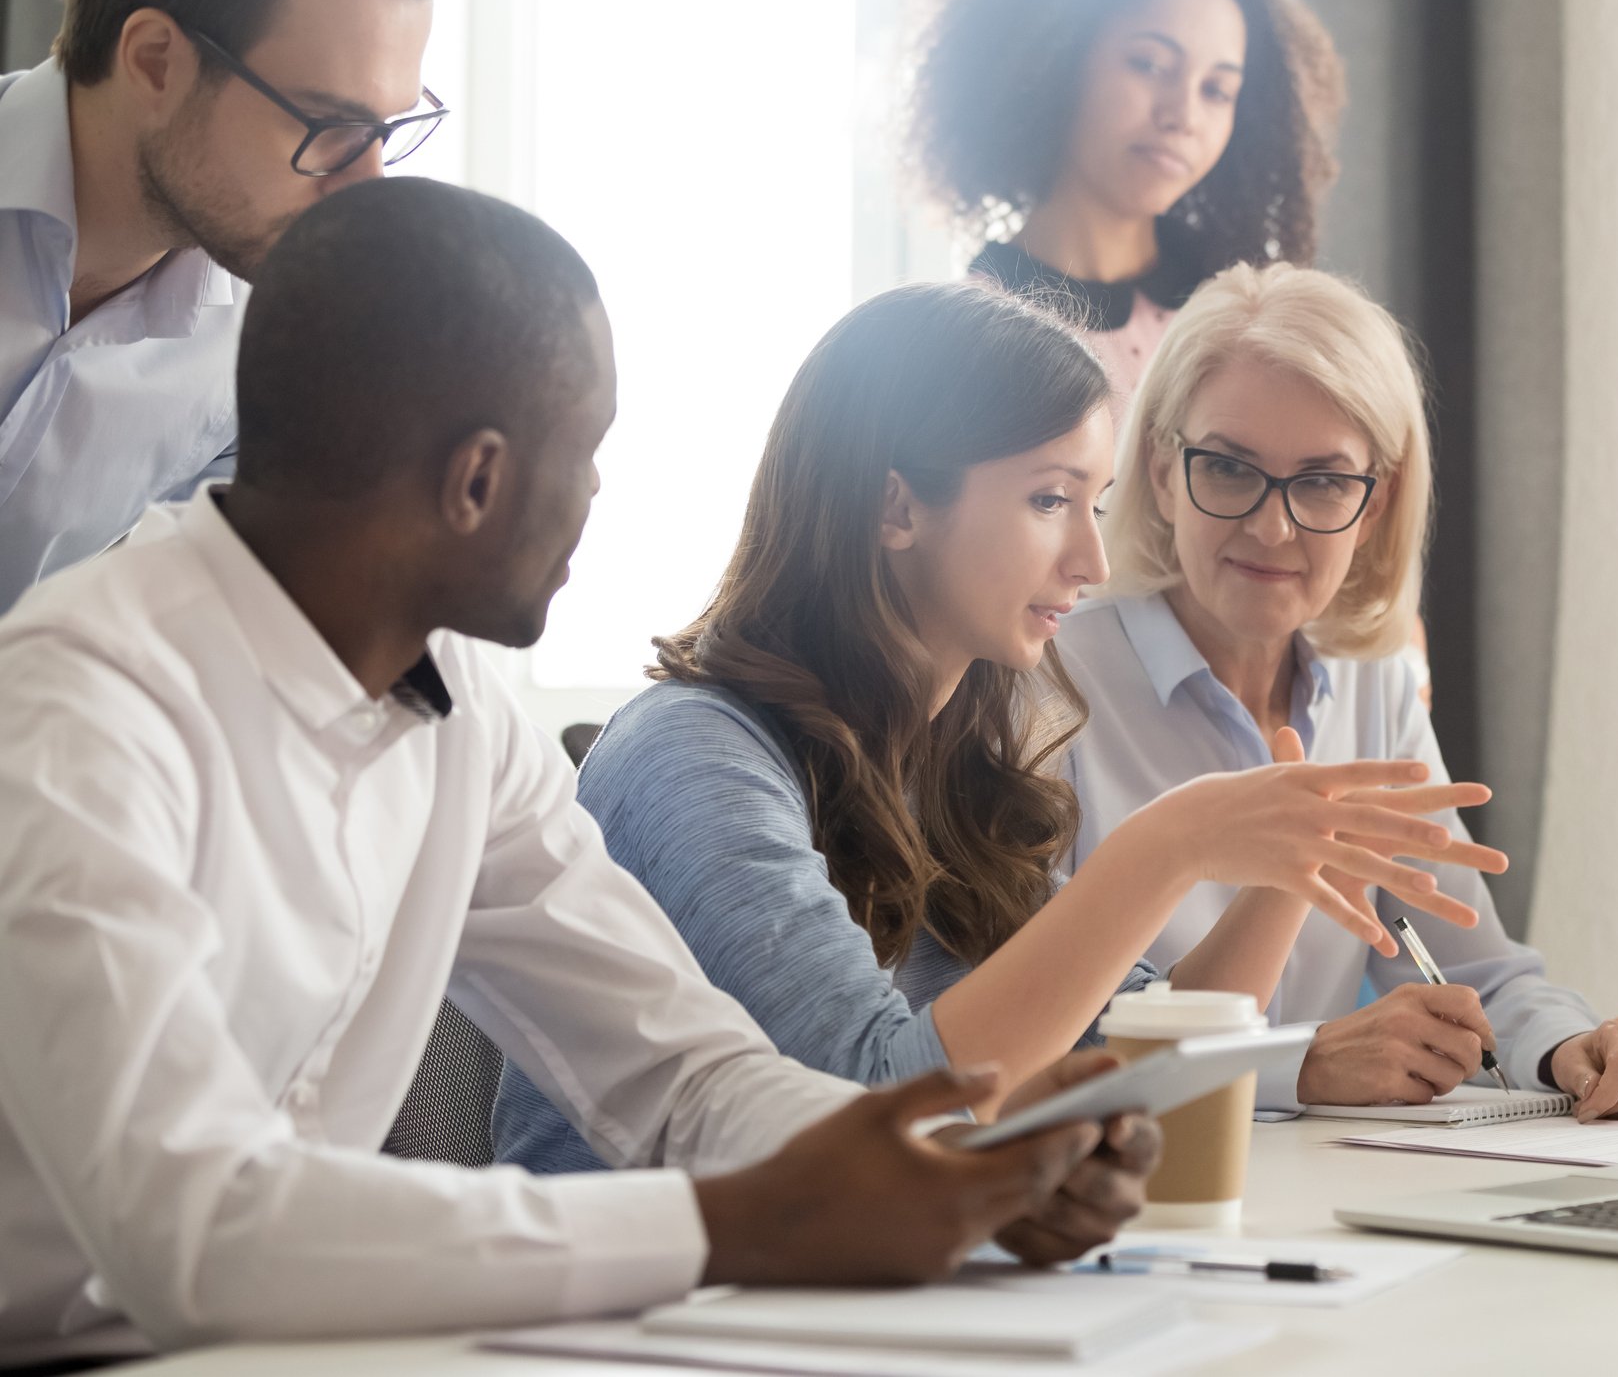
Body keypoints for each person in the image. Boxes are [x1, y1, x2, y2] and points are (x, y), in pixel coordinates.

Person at [0, 178, 1160, 1365]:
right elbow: (195, 1237)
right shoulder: (78, 710)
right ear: (478, 480)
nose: (598, 497)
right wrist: (730, 1224)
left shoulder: (461, 707)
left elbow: (686, 1074)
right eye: (589, 452)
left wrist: (968, 1169)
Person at [491, 278, 1492, 1174]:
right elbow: (880, 1106)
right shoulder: (694, 756)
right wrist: (1165, 846)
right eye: (1049, 499)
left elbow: (1156, 1065)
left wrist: (1291, 855)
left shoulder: (944, 764)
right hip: (636, 1317)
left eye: (1093, 505)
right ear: (897, 507)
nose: (1092, 564)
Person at [1064, 262, 1618, 1119]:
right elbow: (1054, 1035)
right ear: (1164, 473)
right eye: (1230, 469)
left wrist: (1567, 1051)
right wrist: (1299, 1064)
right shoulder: (1045, 682)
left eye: (1321, 481)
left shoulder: (1372, 683)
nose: (1272, 525)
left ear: (1375, 503)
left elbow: (1472, 971)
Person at [0, 0, 455, 613]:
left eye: (386, 131)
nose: (366, 186)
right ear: (156, 61)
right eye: (328, 125)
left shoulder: (272, 348)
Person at [903, 0, 1343, 412]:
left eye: (1216, 90)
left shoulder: (1238, 318)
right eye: (1149, 64)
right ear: (1056, 59)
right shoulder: (966, 341)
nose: (1184, 116)